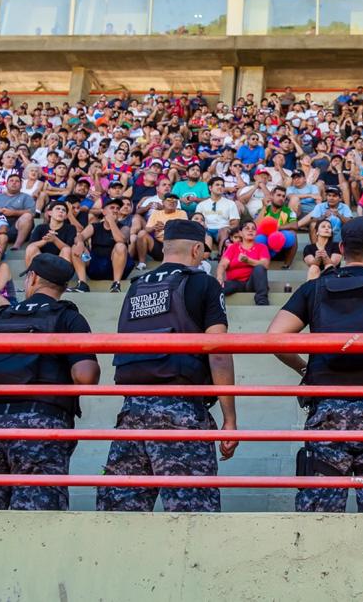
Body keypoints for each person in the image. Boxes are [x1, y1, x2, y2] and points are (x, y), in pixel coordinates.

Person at [265, 216, 363, 512]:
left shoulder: (315, 288)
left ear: (341, 247)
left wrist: (305, 369)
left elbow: (275, 337)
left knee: (318, 520)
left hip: (327, 412)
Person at [98, 220, 238, 513]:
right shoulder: (203, 283)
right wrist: (229, 419)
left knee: (120, 515)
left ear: (164, 247)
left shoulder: (136, 286)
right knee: (192, 515)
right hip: (181, 410)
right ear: (198, 249)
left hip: (131, 412)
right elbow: (219, 351)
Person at [0, 254, 100, 511]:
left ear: (33, 278)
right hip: (45, 422)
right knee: (37, 518)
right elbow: (85, 376)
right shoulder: (69, 317)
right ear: (62, 286)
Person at [216, 219, 270, 306]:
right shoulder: (233, 247)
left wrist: (248, 261)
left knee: (259, 268)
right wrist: (219, 277)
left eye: (253, 229)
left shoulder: (261, 247)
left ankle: (262, 300)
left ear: (256, 233)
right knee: (219, 288)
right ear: (240, 233)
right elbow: (223, 264)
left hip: (252, 283)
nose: (250, 230)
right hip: (235, 283)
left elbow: (265, 264)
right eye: (247, 228)